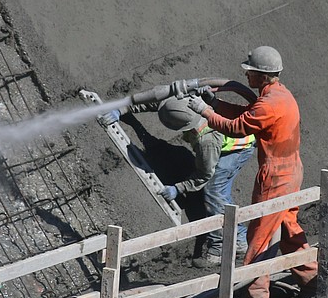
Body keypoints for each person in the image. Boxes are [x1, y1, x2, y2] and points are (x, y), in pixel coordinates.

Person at [188, 46, 317, 298]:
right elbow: (248, 113)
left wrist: (205, 112)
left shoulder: (269, 103)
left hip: (276, 175)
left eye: (250, 72)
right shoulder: (279, 95)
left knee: (260, 236)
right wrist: (213, 104)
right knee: (288, 228)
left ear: (262, 75)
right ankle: (312, 279)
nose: (246, 77)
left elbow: (237, 128)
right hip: (292, 169)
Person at [101, 96, 255, 267]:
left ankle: (222, 245)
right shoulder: (184, 103)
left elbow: (204, 176)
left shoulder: (207, 141)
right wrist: (122, 110)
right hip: (221, 136)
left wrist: (179, 188)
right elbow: (155, 101)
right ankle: (238, 238)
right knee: (210, 182)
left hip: (238, 147)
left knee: (213, 190)